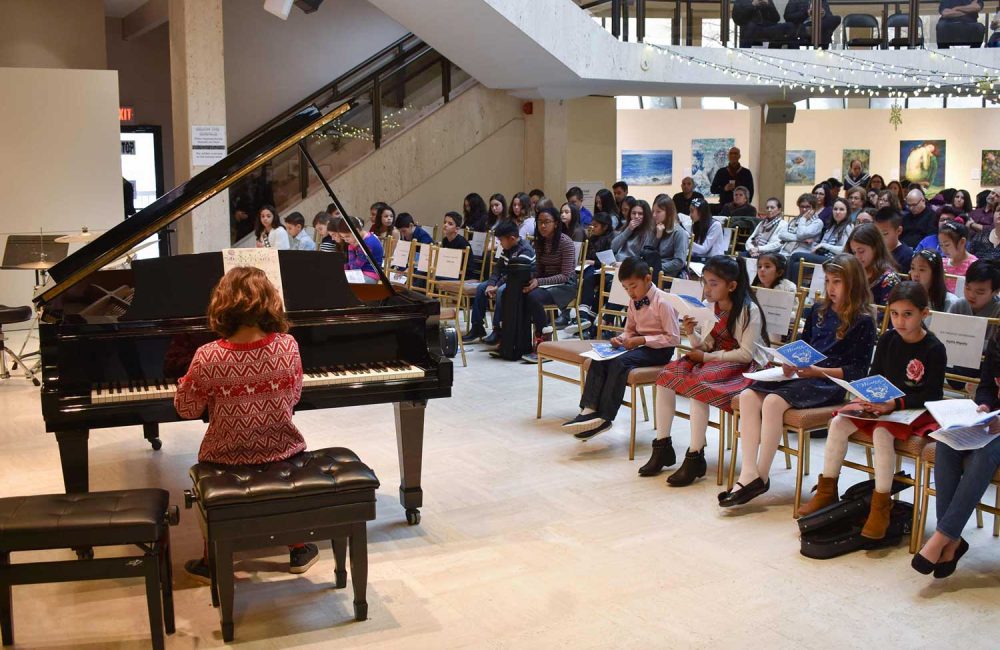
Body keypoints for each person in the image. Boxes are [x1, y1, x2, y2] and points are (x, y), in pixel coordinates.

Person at [176, 267, 316, 580]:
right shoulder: (288, 346)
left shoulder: (207, 356)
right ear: (270, 301)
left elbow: (186, 409)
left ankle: (211, 559)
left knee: (207, 465)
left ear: (222, 304)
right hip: (283, 449)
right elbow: (293, 398)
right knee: (282, 467)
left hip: (223, 457)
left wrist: (188, 381)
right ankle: (298, 547)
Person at [797, 283, 946, 540]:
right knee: (839, 423)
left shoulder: (934, 348)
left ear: (925, 313)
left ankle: (880, 505)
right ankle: (826, 489)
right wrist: (864, 395)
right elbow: (875, 374)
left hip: (912, 409)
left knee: (881, 434)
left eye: (908, 314)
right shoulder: (888, 338)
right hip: (882, 403)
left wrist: (894, 404)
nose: (900, 320)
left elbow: (932, 394)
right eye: (895, 313)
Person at [727, 254, 877, 507]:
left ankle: (761, 476)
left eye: (837, 282)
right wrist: (789, 360)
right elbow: (803, 347)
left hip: (830, 383)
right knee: (748, 396)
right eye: (828, 281)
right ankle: (748, 472)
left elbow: (858, 372)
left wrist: (818, 371)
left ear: (853, 283)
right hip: (804, 375)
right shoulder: (819, 311)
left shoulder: (863, 321)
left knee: (773, 402)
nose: (830, 288)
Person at [644, 256, 769, 481]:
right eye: (705, 282)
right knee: (666, 375)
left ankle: (695, 455)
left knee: (698, 384)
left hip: (743, 367)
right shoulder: (713, 307)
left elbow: (745, 354)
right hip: (716, 358)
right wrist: (691, 332)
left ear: (731, 286)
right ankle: (662, 446)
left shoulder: (749, 311)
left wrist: (707, 356)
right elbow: (708, 343)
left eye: (714, 284)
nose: (707, 289)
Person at [913, 328, 1000, 577]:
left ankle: (943, 536)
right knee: (947, 442)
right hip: (992, 423)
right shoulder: (998, 338)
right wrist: (983, 405)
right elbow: (985, 386)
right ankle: (951, 541)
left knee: (983, 455)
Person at [562, 258, 680, 441]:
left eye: (633, 286)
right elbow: (630, 330)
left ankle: (605, 417)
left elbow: (673, 338)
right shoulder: (635, 301)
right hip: (640, 346)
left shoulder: (663, 302)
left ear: (648, 279)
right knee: (600, 358)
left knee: (620, 362)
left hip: (660, 350)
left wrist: (642, 339)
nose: (630, 293)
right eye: (626, 288)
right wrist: (621, 338)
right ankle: (589, 410)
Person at [462, 222, 536, 344]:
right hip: (507, 279)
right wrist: (491, 284)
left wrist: (497, 286)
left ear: (512, 238)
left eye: (501, 240)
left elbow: (513, 274)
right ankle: (477, 326)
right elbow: (498, 268)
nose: (500, 243)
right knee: (481, 288)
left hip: (520, 281)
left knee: (502, 291)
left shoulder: (525, 250)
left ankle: (498, 329)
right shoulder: (507, 248)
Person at [520, 207, 578, 362]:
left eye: (547, 222)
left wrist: (539, 282)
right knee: (522, 291)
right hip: (546, 283)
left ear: (556, 223)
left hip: (566, 286)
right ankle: (521, 340)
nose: (543, 226)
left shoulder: (566, 242)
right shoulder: (540, 242)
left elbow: (566, 275)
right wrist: (530, 279)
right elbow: (539, 270)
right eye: (540, 222)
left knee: (533, 296)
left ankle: (544, 339)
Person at [569, 212, 616, 336]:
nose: (592, 228)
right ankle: (583, 318)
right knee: (586, 278)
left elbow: (609, 260)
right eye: (591, 225)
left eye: (595, 226)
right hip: (591, 269)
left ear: (605, 227)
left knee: (592, 279)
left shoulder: (611, 239)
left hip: (605, 270)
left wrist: (593, 262)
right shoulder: (591, 238)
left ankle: (586, 319)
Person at [788, 197, 853, 285]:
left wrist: (824, 245)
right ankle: (794, 292)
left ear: (847, 212)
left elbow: (845, 250)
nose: (837, 212)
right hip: (822, 256)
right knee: (797, 266)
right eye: (835, 209)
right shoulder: (832, 226)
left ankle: (787, 289)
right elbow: (821, 244)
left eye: (841, 209)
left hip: (835, 260)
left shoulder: (848, 227)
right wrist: (815, 243)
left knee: (795, 256)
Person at [847, 223, 902, 305]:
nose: (857, 257)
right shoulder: (854, 272)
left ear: (875, 248)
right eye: (854, 252)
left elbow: (887, 315)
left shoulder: (890, 278)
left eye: (861, 251)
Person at [909, 249, 961, 315]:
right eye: (913, 268)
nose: (915, 274)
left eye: (922, 270)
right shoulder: (908, 297)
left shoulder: (951, 302)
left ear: (935, 273)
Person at [651, 195, 689, 278]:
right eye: (653, 211)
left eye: (658, 211)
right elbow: (649, 253)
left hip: (668, 275)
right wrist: (657, 237)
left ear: (668, 213)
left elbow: (679, 262)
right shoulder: (657, 228)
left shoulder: (679, 232)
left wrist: (655, 268)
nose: (654, 215)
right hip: (654, 270)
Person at [778, 193, 824, 259]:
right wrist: (802, 240)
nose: (804, 209)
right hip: (785, 251)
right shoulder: (795, 219)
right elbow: (781, 234)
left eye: (807, 207)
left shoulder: (817, 222)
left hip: (802, 255)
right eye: (802, 206)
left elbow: (800, 234)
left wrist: (803, 219)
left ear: (814, 208)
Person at [343, 215, 384, 283]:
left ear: (356, 231)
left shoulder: (367, 243)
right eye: (343, 237)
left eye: (347, 236)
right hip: (360, 273)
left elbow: (354, 268)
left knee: (339, 282)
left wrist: (351, 248)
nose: (345, 240)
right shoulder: (363, 237)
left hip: (370, 275)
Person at [940, 220, 976, 292]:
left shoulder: (973, 265)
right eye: (941, 245)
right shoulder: (942, 262)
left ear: (962, 242)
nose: (943, 250)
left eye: (947, 245)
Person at [440, 211, 472, 278]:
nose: (445, 225)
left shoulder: (462, 243)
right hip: (449, 270)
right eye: (445, 222)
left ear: (457, 229)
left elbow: (462, 267)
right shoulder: (445, 240)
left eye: (450, 224)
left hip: (461, 275)